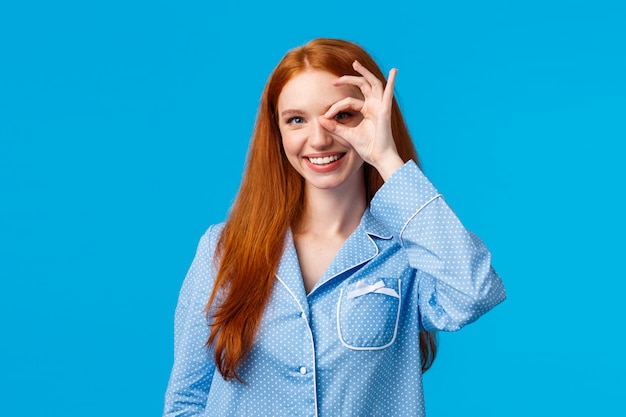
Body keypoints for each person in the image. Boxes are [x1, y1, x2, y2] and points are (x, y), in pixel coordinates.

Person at [163, 38, 506, 417]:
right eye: (296, 120)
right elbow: (186, 403)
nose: (319, 138)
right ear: (277, 133)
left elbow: (475, 291)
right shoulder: (224, 249)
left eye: (342, 115)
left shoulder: (410, 252)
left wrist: (387, 157)